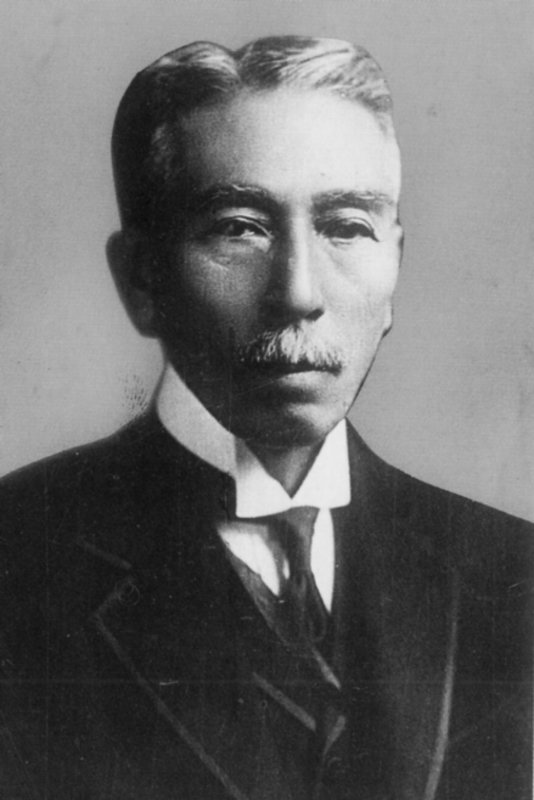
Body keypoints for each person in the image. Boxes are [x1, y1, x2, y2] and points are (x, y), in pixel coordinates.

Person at [0, 36, 531, 800]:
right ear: (142, 279)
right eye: (239, 227)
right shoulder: (20, 557)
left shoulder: (514, 574)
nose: (299, 292)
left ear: (396, 267)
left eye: (347, 226)